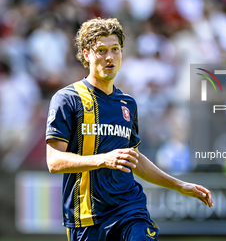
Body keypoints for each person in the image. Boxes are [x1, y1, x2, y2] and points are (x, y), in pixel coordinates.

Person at [46, 17, 213, 241]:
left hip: (129, 208)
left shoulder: (128, 104)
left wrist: (180, 185)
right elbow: (54, 161)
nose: (109, 57)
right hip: (86, 218)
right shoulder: (67, 99)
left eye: (115, 49)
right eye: (101, 50)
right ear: (86, 54)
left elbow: (133, 158)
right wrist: (103, 160)